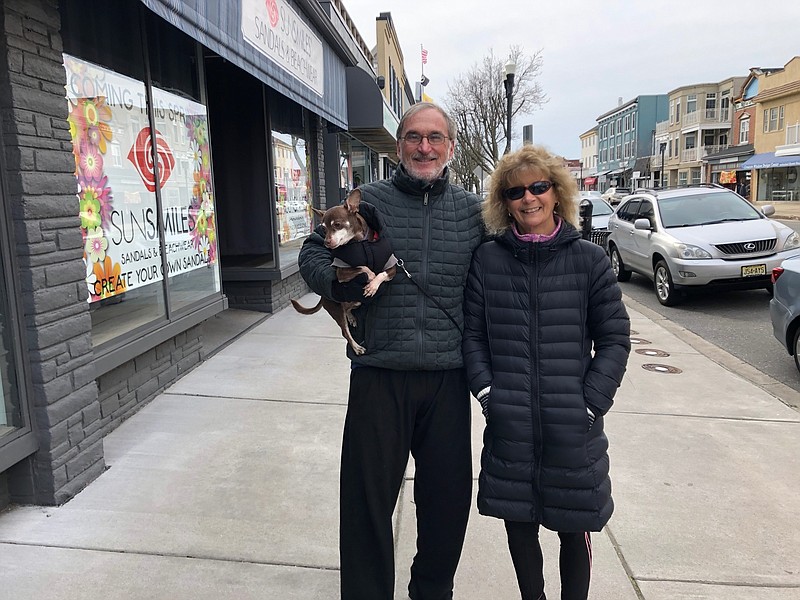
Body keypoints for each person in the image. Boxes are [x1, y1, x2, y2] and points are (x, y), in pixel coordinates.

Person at [298, 102, 484, 600]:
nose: (426, 147)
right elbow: (312, 252)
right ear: (399, 144)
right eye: (416, 137)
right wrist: (339, 290)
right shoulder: (366, 203)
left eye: (436, 138)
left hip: (447, 379)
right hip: (379, 375)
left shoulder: (472, 211)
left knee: (447, 507)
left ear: (449, 146)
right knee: (366, 507)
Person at [461, 145, 631, 600]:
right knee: (519, 526)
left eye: (539, 187)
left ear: (557, 193)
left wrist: (592, 403)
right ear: (504, 201)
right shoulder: (488, 260)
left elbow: (614, 338)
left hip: (572, 426)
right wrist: (488, 393)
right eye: (516, 191)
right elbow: (473, 337)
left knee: (574, 528)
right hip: (510, 421)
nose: (528, 198)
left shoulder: (589, 262)